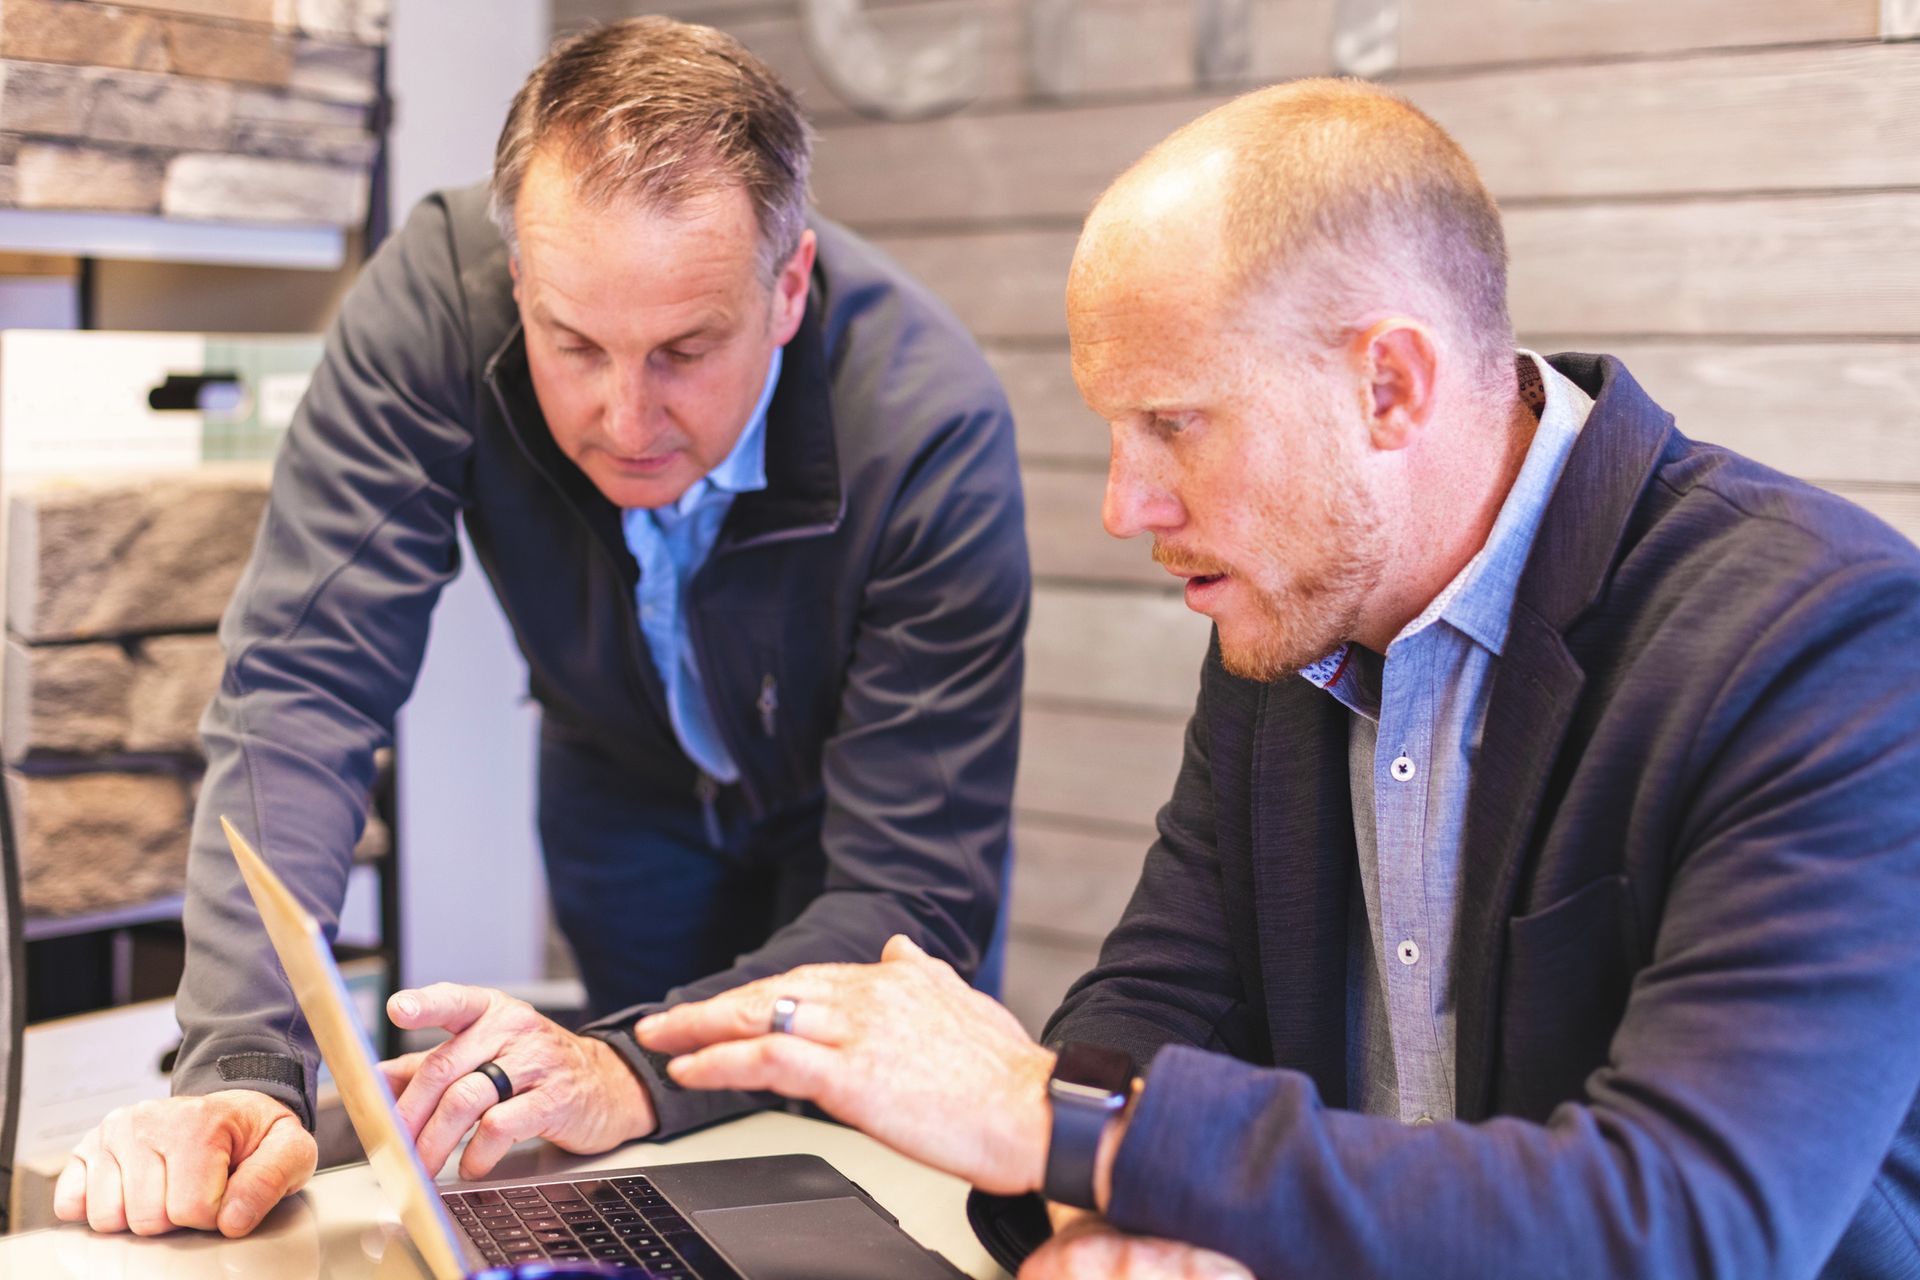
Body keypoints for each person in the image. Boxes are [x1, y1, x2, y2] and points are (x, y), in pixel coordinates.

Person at [630, 79, 1920, 1278]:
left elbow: (1689, 1223)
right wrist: (1104, 1223)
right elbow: (1155, 999)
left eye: (1174, 423)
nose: (1127, 505)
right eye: (1113, 428)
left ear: (1390, 386)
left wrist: (1074, 1125)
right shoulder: (1296, 612)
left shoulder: (1820, 641)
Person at [55, 17, 1028, 1239]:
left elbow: (906, 891)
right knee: (668, 1208)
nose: (627, 415)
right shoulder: (434, 300)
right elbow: (303, 680)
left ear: (787, 289)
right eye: (574, 344)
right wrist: (241, 1062)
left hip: (859, 847)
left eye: (684, 349)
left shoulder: (931, 429)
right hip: (621, 794)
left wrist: (629, 1065)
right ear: (519, 280)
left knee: (873, 1207)